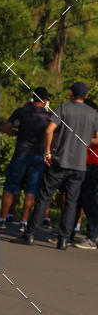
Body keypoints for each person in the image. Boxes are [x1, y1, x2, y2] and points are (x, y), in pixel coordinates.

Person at [23, 82, 98, 250]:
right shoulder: (92, 114)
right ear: (86, 96)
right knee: (72, 202)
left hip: (61, 161)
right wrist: (86, 140)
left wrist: (47, 152)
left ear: (71, 93)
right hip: (80, 165)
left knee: (45, 197)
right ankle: (63, 239)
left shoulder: (64, 108)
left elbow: (49, 130)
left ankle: (30, 234)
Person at [0, 87, 51, 234]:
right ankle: (24, 222)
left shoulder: (21, 112)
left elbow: (5, 128)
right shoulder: (48, 117)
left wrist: (16, 133)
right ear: (46, 100)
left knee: (10, 186)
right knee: (31, 190)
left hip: (21, 153)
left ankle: (2, 219)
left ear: (32, 98)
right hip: (37, 156)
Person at [71, 98, 98, 249]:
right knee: (76, 200)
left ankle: (92, 237)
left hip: (92, 165)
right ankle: (68, 234)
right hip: (82, 164)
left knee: (88, 201)